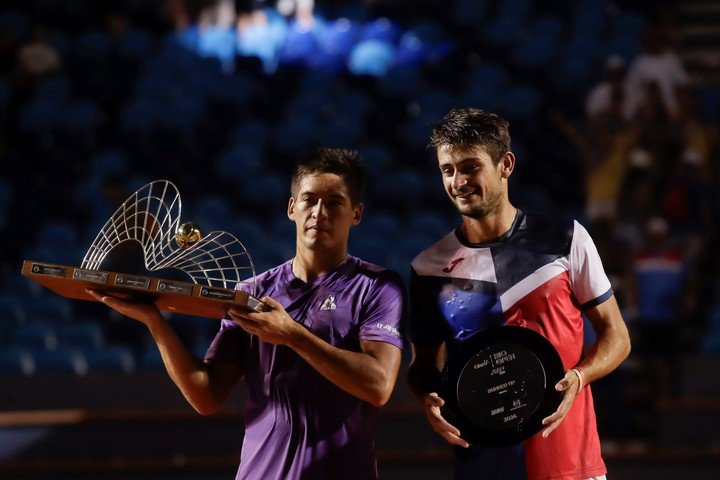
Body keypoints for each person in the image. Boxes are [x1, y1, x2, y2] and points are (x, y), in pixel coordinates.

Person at [88, 147, 406, 479]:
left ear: (356, 214)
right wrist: (154, 321)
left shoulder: (378, 287)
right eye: (309, 200)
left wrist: (292, 335)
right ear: (291, 207)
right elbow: (207, 396)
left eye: (334, 202)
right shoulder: (252, 292)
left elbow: (379, 385)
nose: (319, 212)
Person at [406, 108, 631, 480]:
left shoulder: (566, 238)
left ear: (505, 165)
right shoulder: (428, 268)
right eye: (448, 170)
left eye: (470, 167)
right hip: (484, 466)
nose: (458, 181)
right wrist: (426, 399)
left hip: (571, 464)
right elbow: (423, 365)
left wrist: (579, 376)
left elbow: (617, 336)